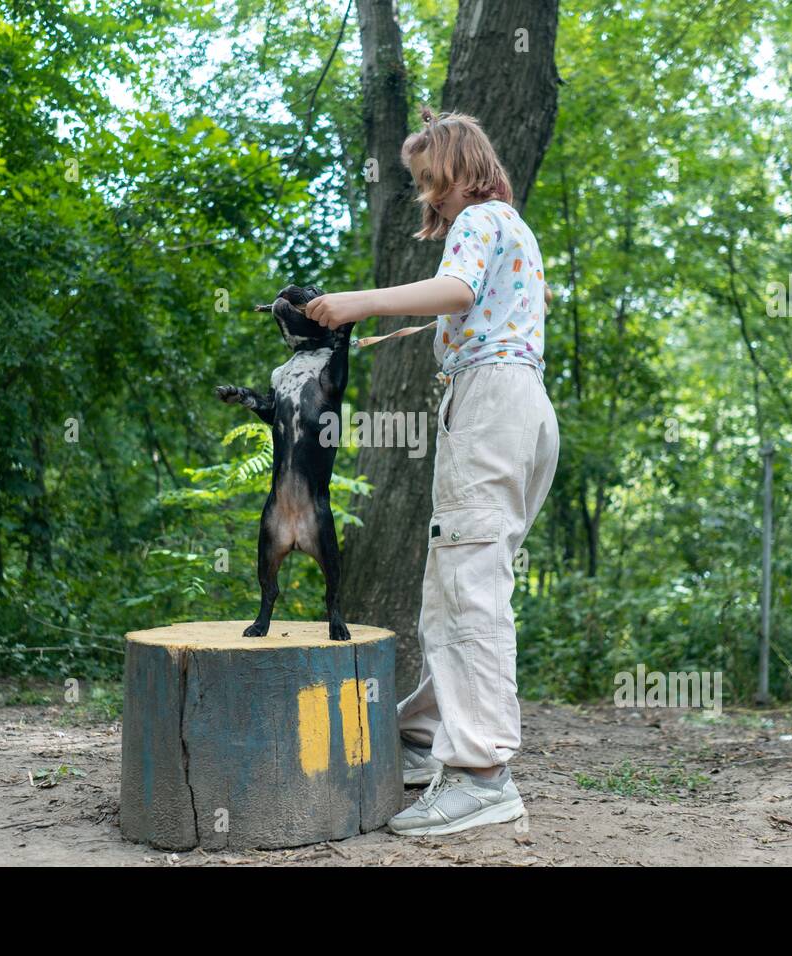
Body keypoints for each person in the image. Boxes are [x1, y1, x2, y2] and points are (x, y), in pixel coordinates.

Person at [306, 107, 559, 836]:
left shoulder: (481, 219)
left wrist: (360, 302)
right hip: (521, 408)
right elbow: (495, 308)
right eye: (421, 186)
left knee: (467, 586)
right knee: (457, 583)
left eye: (431, 181)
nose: (429, 198)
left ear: (460, 169)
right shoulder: (515, 233)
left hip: (490, 405)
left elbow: (456, 292)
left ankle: (482, 777)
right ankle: (420, 740)